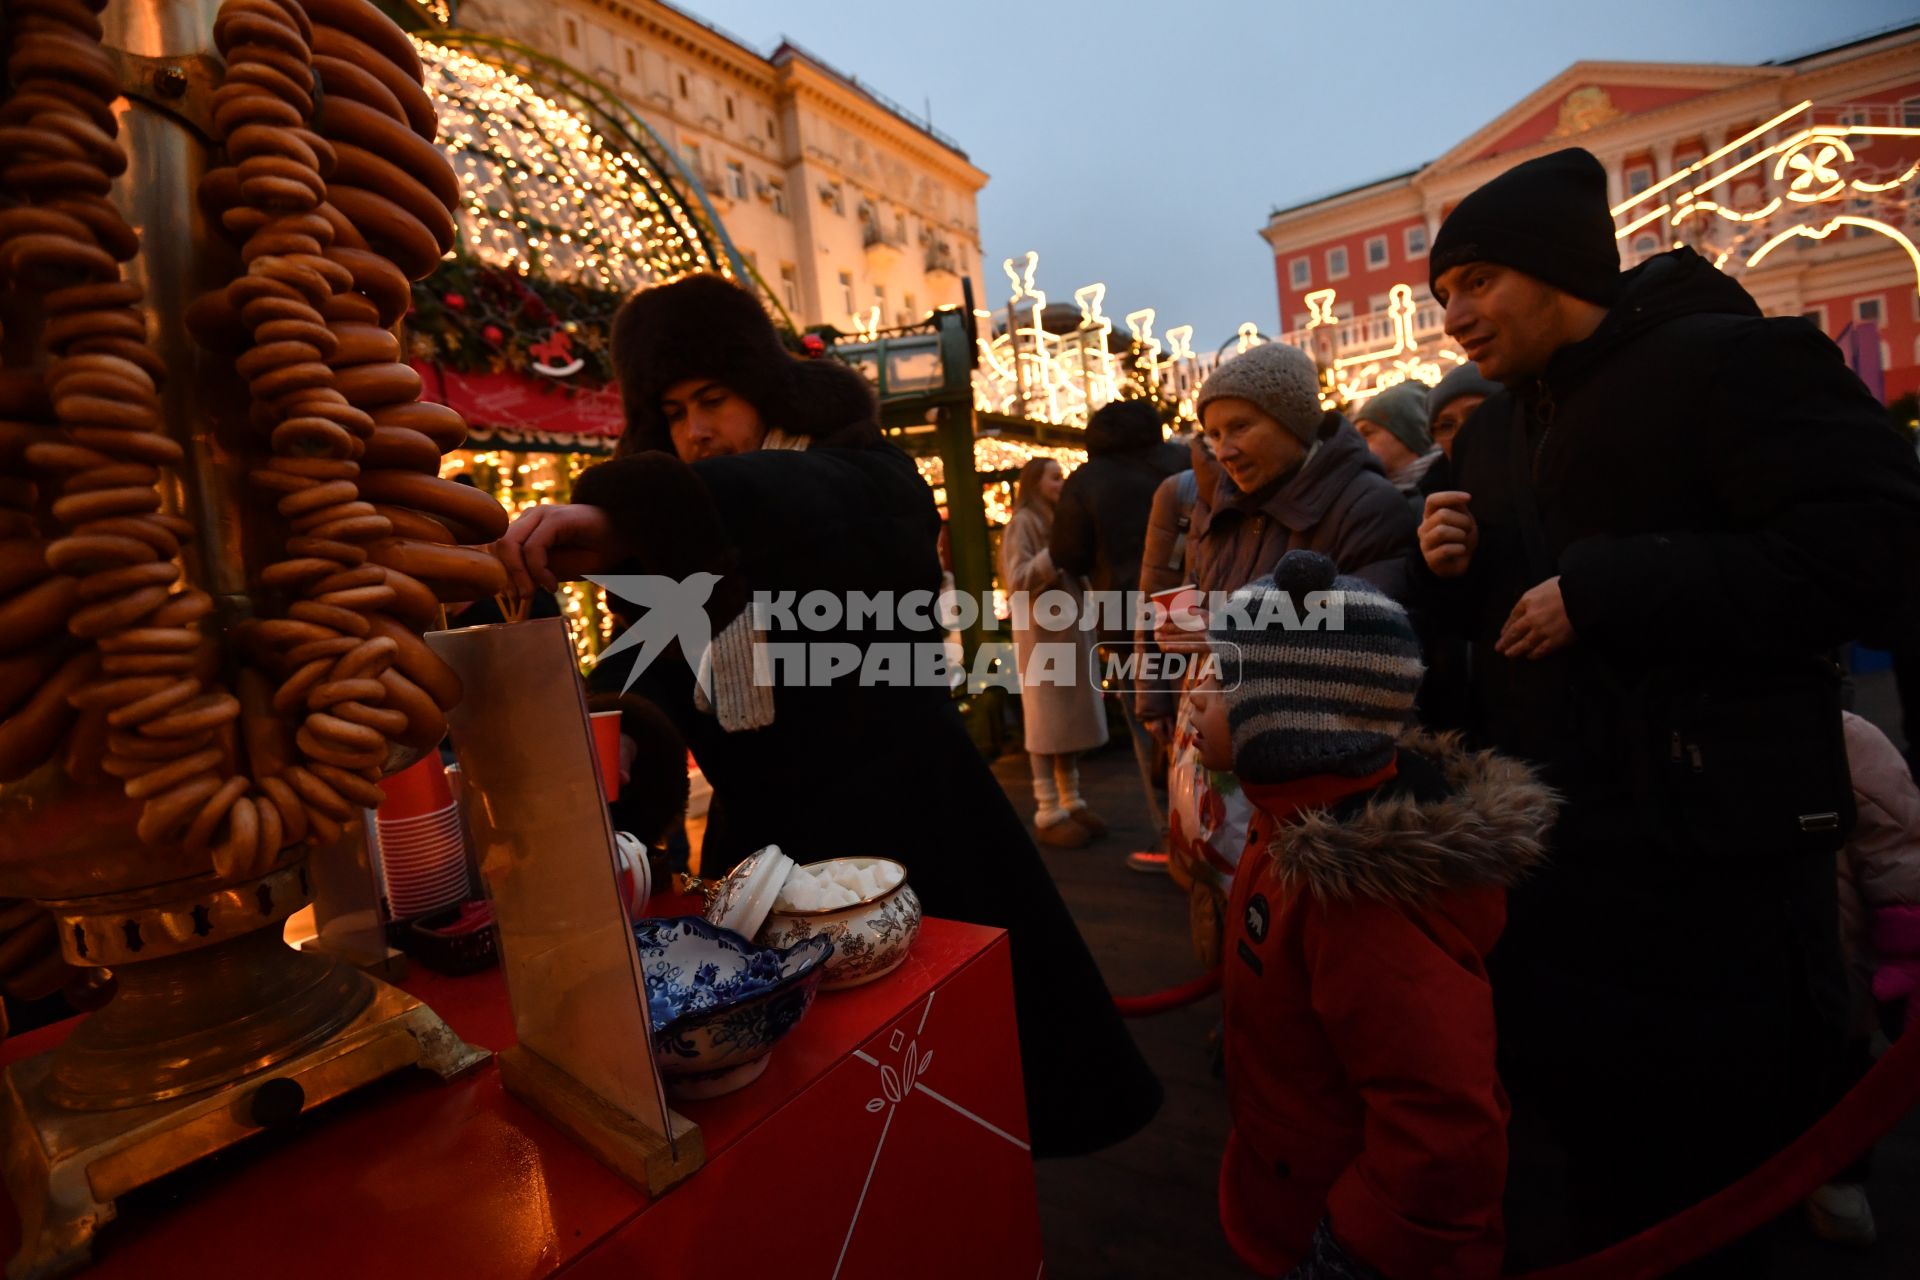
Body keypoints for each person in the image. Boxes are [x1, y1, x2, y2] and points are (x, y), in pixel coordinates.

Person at [495, 273, 1162, 1157]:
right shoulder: (677, 535)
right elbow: (645, 676)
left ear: (762, 389)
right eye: (673, 410)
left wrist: (646, 511)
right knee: (822, 1120)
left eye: (713, 398)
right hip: (767, 861)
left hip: (915, 834)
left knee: (967, 1101)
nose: (696, 429)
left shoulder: (865, 474)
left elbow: (816, 507)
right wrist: (618, 740)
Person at [1412, 147, 1920, 1266]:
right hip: (1557, 873)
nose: (1454, 314)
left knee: (1729, 1187)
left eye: (1477, 281)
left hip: (1716, 879)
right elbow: (1505, 617)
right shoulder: (1493, 429)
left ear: (1555, 268)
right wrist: (1451, 564)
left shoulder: (1739, 362)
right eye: (1442, 292)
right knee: (1596, 1180)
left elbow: (1873, 551)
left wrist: (1611, 587)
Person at [1207, 552, 1555, 1280]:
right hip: (1293, 1185)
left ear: (1285, 715)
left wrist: (1364, 1249)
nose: (1193, 695)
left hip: (1354, 1240)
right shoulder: (1291, 816)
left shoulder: (1358, 892)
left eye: (1219, 680)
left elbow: (1439, 1119)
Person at [1808, 710, 1920, 1245]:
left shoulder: (1839, 734)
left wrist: (1911, 955)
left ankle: (1838, 1174)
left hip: (1833, 978)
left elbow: (1899, 849)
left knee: (1838, 1078)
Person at [998, 457, 1109, 847]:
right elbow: (1017, 579)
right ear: (1034, 483)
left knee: (1065, 722)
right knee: (1046, 722)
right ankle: (1047, 808)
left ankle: (1071, 799)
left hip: (1066, 633)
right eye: (1054, 477)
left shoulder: (1057, 520)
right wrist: (1055, 557)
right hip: (1042, 637)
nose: (1061, 484)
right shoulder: (1023, 523)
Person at [1350, 381, 1439, 503]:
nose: (1357, 443)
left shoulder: (1447, 488)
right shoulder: (1368, 498)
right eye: (1355, 435)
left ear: (1409, 432)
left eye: (1367, 433)